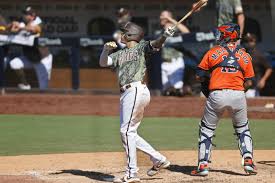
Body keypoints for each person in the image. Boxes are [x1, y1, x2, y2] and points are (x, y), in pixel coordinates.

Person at [99, 22, 175, 183]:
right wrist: (106, 50)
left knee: (126, 132)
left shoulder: (141, 47)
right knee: (129, 132)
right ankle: (158, 159)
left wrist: (165, 35)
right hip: (129, 93)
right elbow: (103, 63)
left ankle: (132, 173)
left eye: (124, 33)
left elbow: (156, 44)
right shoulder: (120, 53)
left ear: (131, 35)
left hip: (135, 89)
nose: (121, 35)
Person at [191, 23, 257, 176]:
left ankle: (203, 165)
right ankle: (248, 161)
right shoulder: (245, 55)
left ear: (227, 36)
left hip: (217, 94)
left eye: (221, 34)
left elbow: (198, 75)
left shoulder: (213, 52)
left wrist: (209, 81)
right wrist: (238, 90)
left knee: (207, 129)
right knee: (242, 129)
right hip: (238, 95)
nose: (219, 36)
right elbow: (249, 82)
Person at [9, 6, 52, 90]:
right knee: (14, 63)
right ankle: (25, 85)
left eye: (27, 14)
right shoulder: (23, 22)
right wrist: (13, 26)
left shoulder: (38, 22)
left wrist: (20, 27)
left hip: (42, 59)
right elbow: (12, 30)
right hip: (29, 57)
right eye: (24, 14)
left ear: (33, 15)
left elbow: (35, 29)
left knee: (43, 88)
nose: (24, 16)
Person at [157, 10, 190, 96]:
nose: (161, 17)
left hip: (176, 62)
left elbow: (187, 32)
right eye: (161, 16)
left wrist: (171, 19)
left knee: (177, 90)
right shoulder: (160, 32)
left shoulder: (176, 30)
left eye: (163, 16)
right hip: (164, 63)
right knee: (166, 91)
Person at [242, 33, 273, 97]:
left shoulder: (259, 55)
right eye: (246, 41)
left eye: (250, 41)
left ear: (255, 41)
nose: (248, 43)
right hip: (241, 86)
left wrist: (263, 80)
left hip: (254, 87)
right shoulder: (241, 54)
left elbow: (269, 68)